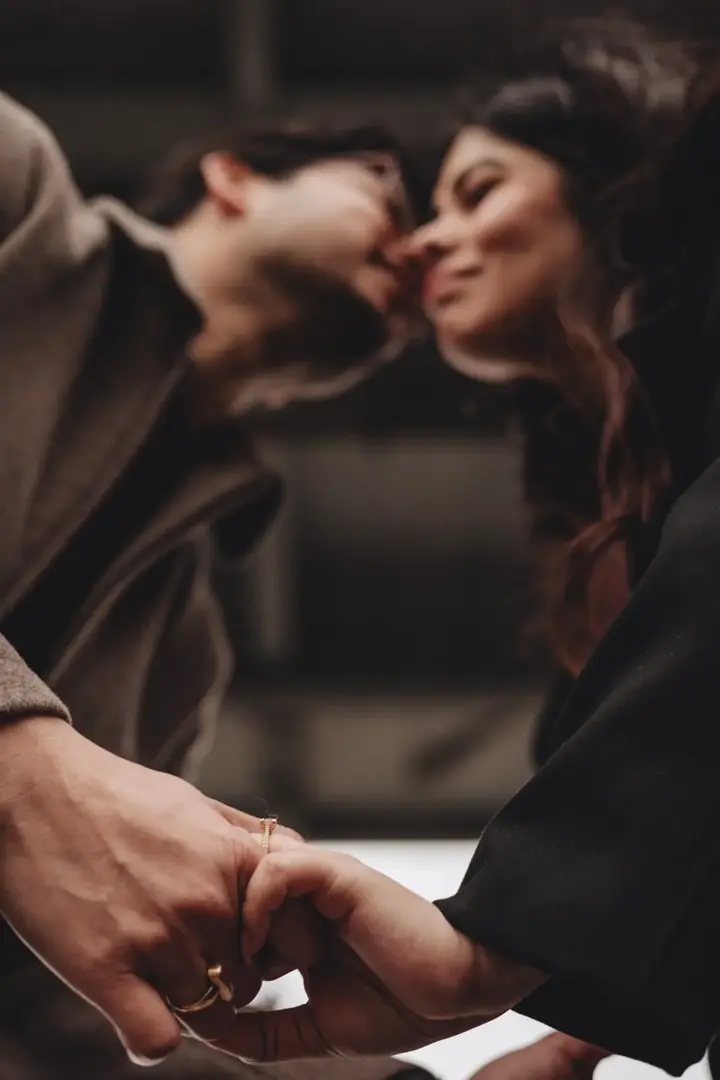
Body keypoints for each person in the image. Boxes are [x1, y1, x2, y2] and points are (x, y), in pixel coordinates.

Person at [213, 19, 720, 1079]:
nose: (428, 241)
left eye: (478, 189)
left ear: (611, 175)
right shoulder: (613, 510)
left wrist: (495, 942)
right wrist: (573, 1040)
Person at [0, 89, 431, 1080]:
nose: (421, 251)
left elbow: (60, 1006)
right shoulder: (12, 187)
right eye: (389, 199)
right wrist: (19, 758)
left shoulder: (185, 656)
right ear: (234, 177)